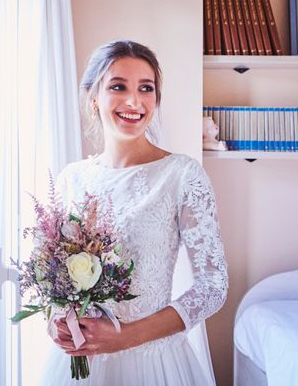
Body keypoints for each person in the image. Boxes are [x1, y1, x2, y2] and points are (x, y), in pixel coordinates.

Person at [42, 40, 228, 385]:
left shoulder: (181, 175)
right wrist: (57, 322)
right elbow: (55, 277)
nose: (134, 101)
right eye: (118, 87)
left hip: (153, 363)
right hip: (81, 364)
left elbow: (213, 286)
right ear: (93, 97)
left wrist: (126, 336)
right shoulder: (71, 179)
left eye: (146, 88)